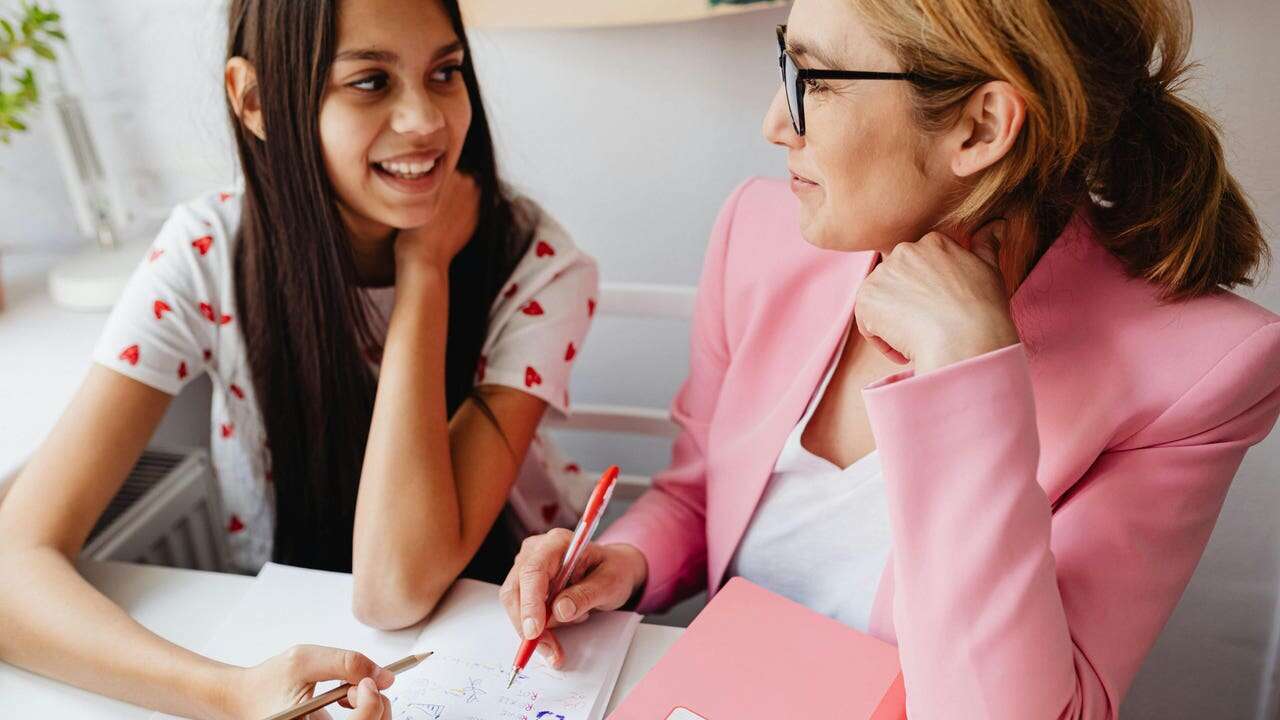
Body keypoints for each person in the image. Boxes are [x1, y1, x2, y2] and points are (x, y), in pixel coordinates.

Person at [501, 0, 1280, 717]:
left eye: (817, 80)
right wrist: (624, 562)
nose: (776, 121)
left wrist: (972, 377)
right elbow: (700, 490)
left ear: (980, 127)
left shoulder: (1200, 372)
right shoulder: (764, 232)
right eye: (786, 61)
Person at [0, 0, 597, 716]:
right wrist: (227, 693)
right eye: (371, 82)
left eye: (445, 72)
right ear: (253, 99)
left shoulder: (536, 264)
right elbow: (11, 569)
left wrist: (424, 275)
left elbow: (395, 586)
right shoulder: (206, 257)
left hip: (512, 635)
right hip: (287, 637)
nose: (427, 121)